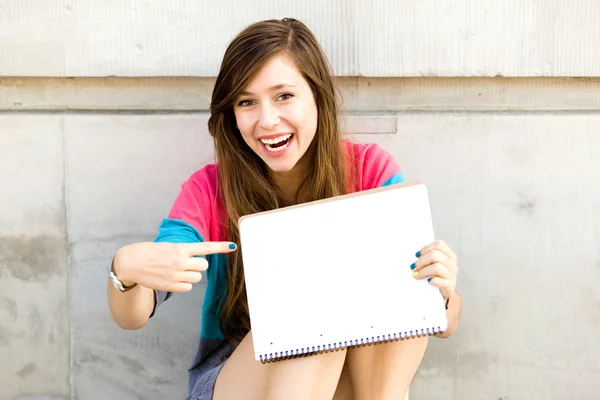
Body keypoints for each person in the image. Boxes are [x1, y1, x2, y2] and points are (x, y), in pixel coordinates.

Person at [107, 17, 461, 400]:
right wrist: (124, 269)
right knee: (312, 315)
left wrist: (440, 290)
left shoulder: (369, 170)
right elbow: (134, 314)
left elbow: (441, 322)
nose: (267, 120)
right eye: (247, 102)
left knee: (389, 300)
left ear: (317, 96)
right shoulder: (210, 188)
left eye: (284, 96)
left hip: (351, 379)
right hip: (236, 378)